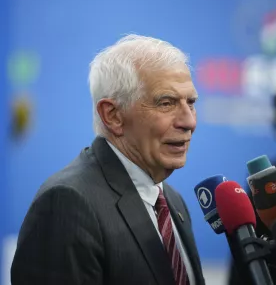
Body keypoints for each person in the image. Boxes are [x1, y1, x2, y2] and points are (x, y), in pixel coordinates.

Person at [11, 34, 205, 285]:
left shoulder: (172, 201)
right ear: (113, 115)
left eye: (191, 103)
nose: (189, 121)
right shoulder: (67, 204)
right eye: (166, 103)